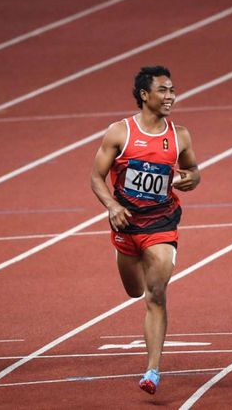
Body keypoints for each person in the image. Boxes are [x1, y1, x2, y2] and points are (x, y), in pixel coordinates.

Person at [90, 66, 200, 394]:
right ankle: (128, 255)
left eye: (172, 90)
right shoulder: (119, 133)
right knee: (134, 291)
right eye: (163, 91)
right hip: (126, 223)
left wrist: (192, 177)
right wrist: (112, 207)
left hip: (162, 223)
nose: (170, 97)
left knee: (156, 294)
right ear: (144, 95)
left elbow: (193, 171)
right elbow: (96, 176)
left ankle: (152, 370)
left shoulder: (179, 135)